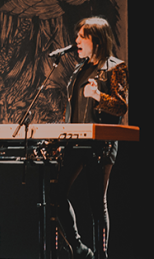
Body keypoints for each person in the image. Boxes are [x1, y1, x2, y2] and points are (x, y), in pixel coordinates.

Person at [58, 16, 128, 259]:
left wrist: (99, 95)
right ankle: (78, 248)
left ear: (96, 40)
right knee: (55, 194)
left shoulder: (116, 67)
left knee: (97, 203)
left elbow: (121, 107)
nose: (76, 40)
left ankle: (100, 255)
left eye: (82, 36)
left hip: (100, 143)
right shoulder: (80, 69)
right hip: (74, 141)